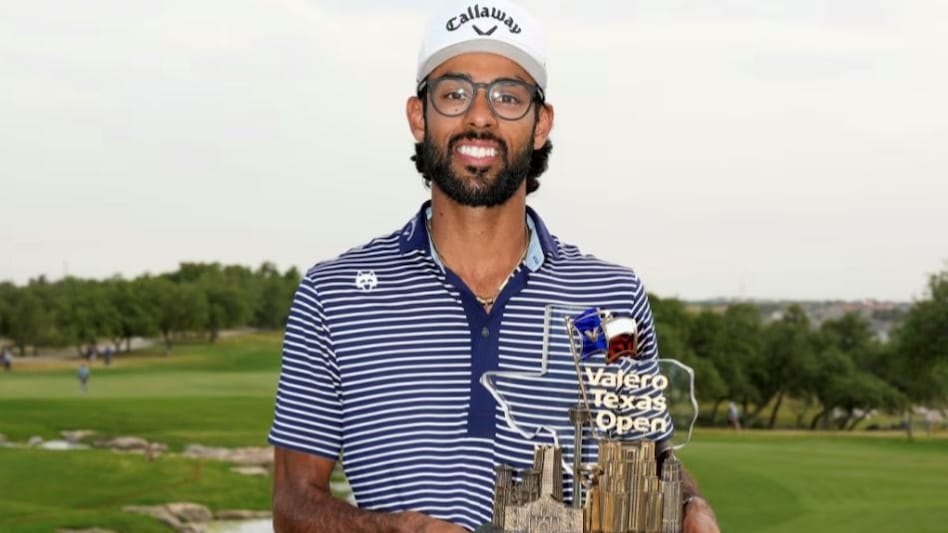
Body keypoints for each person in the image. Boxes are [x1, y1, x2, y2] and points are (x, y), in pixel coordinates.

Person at [268, 2, 720, 532]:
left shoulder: (609, 301)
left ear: (539, 124)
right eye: (455, 93)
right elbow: (292, 503)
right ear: (420, 116)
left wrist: (693, 505)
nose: (479, 116)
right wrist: (392, 531)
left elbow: (646, 457)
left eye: (508, 97)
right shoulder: (336, 294)